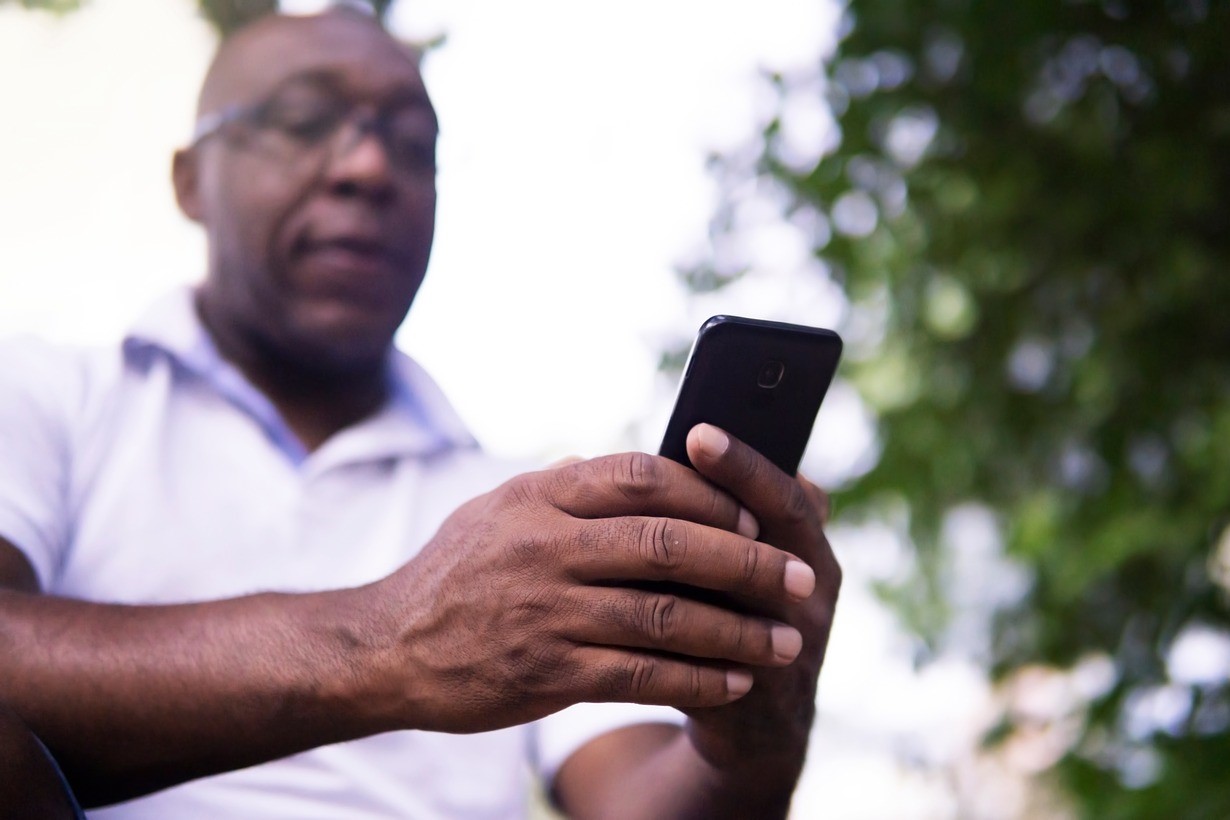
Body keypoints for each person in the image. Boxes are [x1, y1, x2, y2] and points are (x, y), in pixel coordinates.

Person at [0, 8, 841, 818]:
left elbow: (638, 802)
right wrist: (393, 639)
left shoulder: (519, 516)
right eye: (301, 120)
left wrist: (755, 755)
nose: (369, 167)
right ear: (190, 180)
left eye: (414, 145)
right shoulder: (46, 396)